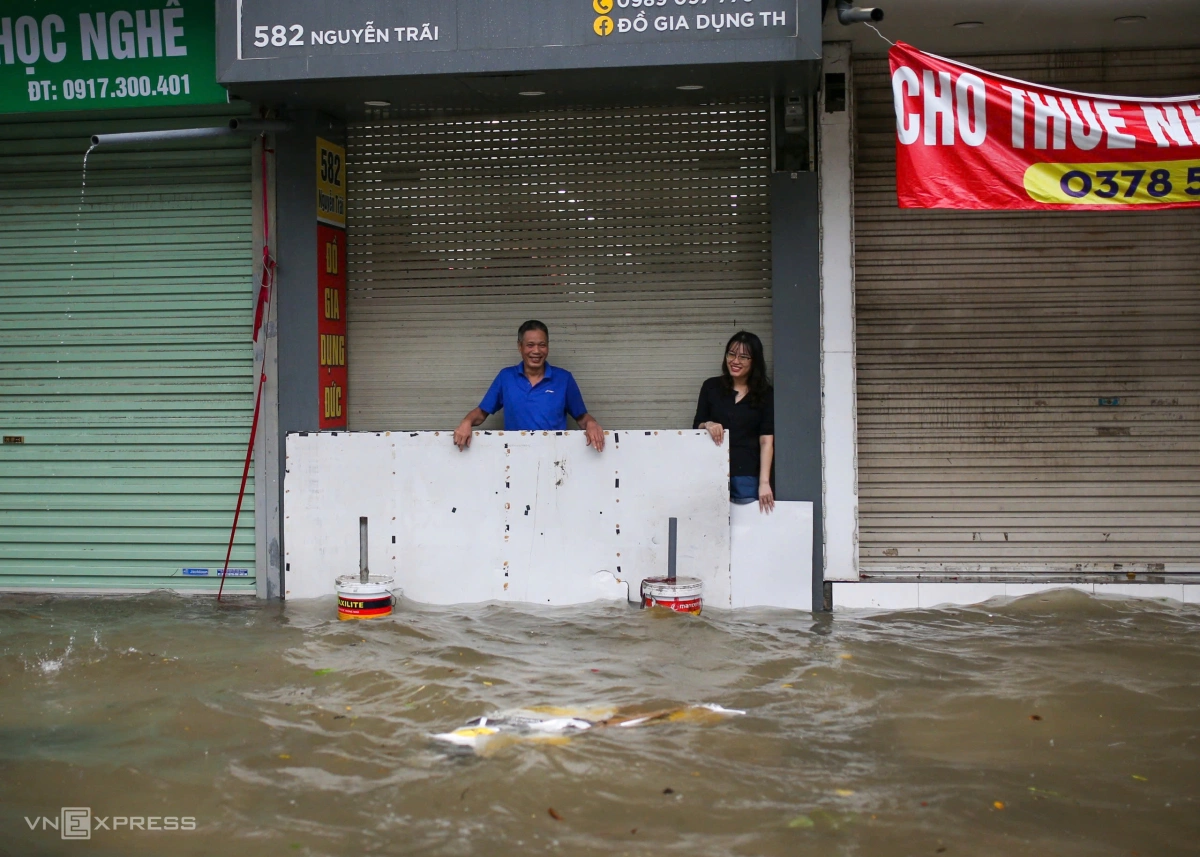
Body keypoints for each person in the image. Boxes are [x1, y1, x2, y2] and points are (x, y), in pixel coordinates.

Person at [454, 320, 606, 452]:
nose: (536, 351)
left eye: (542, 345)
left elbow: (582, 418)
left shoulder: (564, 379)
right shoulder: (506, 377)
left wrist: (592, 424)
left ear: (548, 347)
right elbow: (481, 413)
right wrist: (466, 422)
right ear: (520, 347)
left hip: (555, 457)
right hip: (514, 456)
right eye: (530, 345)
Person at [693, 331, 775, 512]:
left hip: (747, 474)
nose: (735, 361)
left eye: (744, 357)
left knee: (747, 528)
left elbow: (766, 440)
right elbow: (696, 425)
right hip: (712, 471)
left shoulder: (765, 394)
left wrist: (764, 483)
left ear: (755, 361)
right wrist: (708, 424)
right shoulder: (711, 387)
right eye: (731, 354)